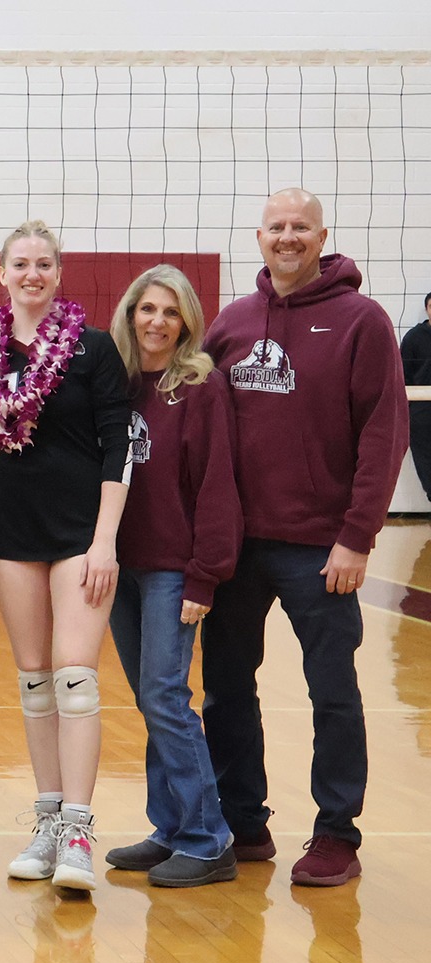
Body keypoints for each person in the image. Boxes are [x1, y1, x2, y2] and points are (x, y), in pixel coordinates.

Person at [201, 188, 408, 888]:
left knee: (333, 693)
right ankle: (242, 820)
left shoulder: (362, 321)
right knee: (226, 688)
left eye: (301, 227)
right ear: (258, 237)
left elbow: (384, 434)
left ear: (322, 237)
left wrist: (357, 536)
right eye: (277, 227)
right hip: (235, 546)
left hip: (320, 547)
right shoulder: (230, 323)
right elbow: (192, 425)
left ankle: (335, 833)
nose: (288, 237)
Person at [0, 220, 130, 893]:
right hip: (14, 530)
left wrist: (106, 540)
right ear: (2, 273)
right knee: (34, 681)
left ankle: (81, 833)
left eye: (45, 264)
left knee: (75, 678)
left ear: (59, 274)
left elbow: (117, 449)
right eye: (21, 264)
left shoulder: (92, 350)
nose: (33, 274)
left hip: (83, 533)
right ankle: (48, 822)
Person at [102, 264, 242, 888]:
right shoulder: (120, 383)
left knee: (166, 697)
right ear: (130, 314)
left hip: (172, 570)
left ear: (186, 320)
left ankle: (209, 839)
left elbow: (218, 484)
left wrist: (204, 577)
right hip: (119, 565)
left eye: (170, 311)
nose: (157, 321)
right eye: (146, 309)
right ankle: (171, 828)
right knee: (150, 699)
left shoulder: (200, 388)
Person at [400, 291, 431, 498]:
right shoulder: (413, 337)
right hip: (422, 409)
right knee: (426, 461)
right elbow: (402, 376)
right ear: (427, 309)